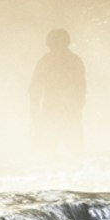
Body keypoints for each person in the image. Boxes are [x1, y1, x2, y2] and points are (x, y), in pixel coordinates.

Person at [28, 28, 86, 162]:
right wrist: (35, 114)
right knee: (46, 154)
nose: (57, 47)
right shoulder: (49, 61)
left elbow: (81, 88)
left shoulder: (70, 61)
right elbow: (34, 88)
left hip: (65, 113)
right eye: (55, 44)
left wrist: (35, 114)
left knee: (74, 156)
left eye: (59, 43)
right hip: (55, 112)